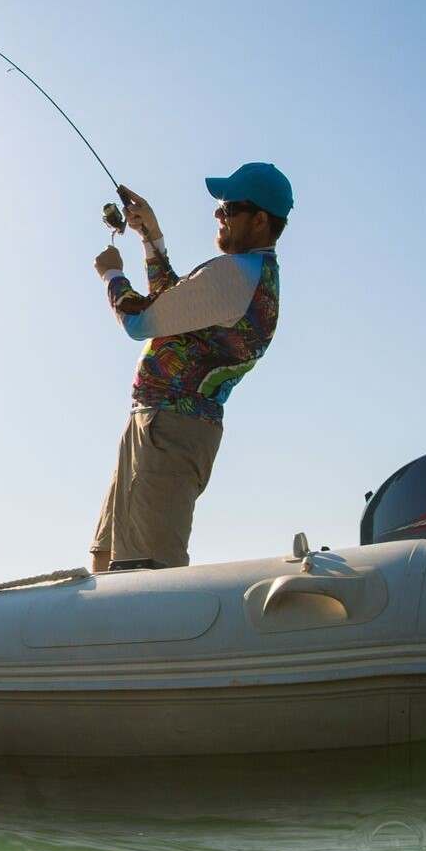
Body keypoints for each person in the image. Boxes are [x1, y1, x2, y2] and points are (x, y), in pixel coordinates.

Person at [87, 162, 290, 572]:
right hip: (156, 425)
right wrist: (150, 237)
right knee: (106, 557)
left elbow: (142, 321)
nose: (218, 214)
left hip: (170, 432)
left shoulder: (235, 275)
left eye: (228, 207)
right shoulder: (246, 274)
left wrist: (111, 274)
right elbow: (173, 306)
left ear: (260, 219)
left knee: (144, 571)